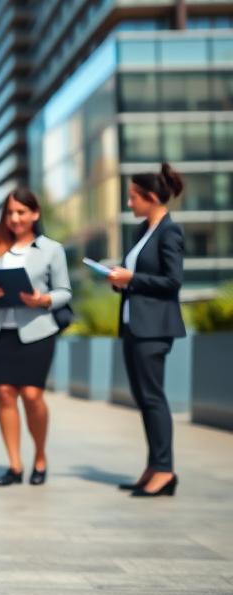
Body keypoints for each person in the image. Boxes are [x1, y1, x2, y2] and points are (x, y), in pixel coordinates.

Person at [0, 188, 72, 487]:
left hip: (37, 330)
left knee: (32, 396)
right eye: (10, 212)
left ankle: (41, 456)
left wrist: (42, 299)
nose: (15, 218)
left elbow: (65, 293)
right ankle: (15, 465)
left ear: (35, 214)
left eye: (21, 212)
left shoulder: (51, 249)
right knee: (5, 394)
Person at [107, 162, 185, 498]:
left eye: (133, 197)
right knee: (143, 398)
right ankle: (154, 466)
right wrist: (120, 281)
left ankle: (165, 471)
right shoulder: (144, 232)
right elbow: (137, 277)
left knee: (153, 398)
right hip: (134, 326)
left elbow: (172, 281)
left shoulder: (170, 232)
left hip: (154, 328)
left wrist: (132, 279)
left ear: (151, 197)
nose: (130, 204)